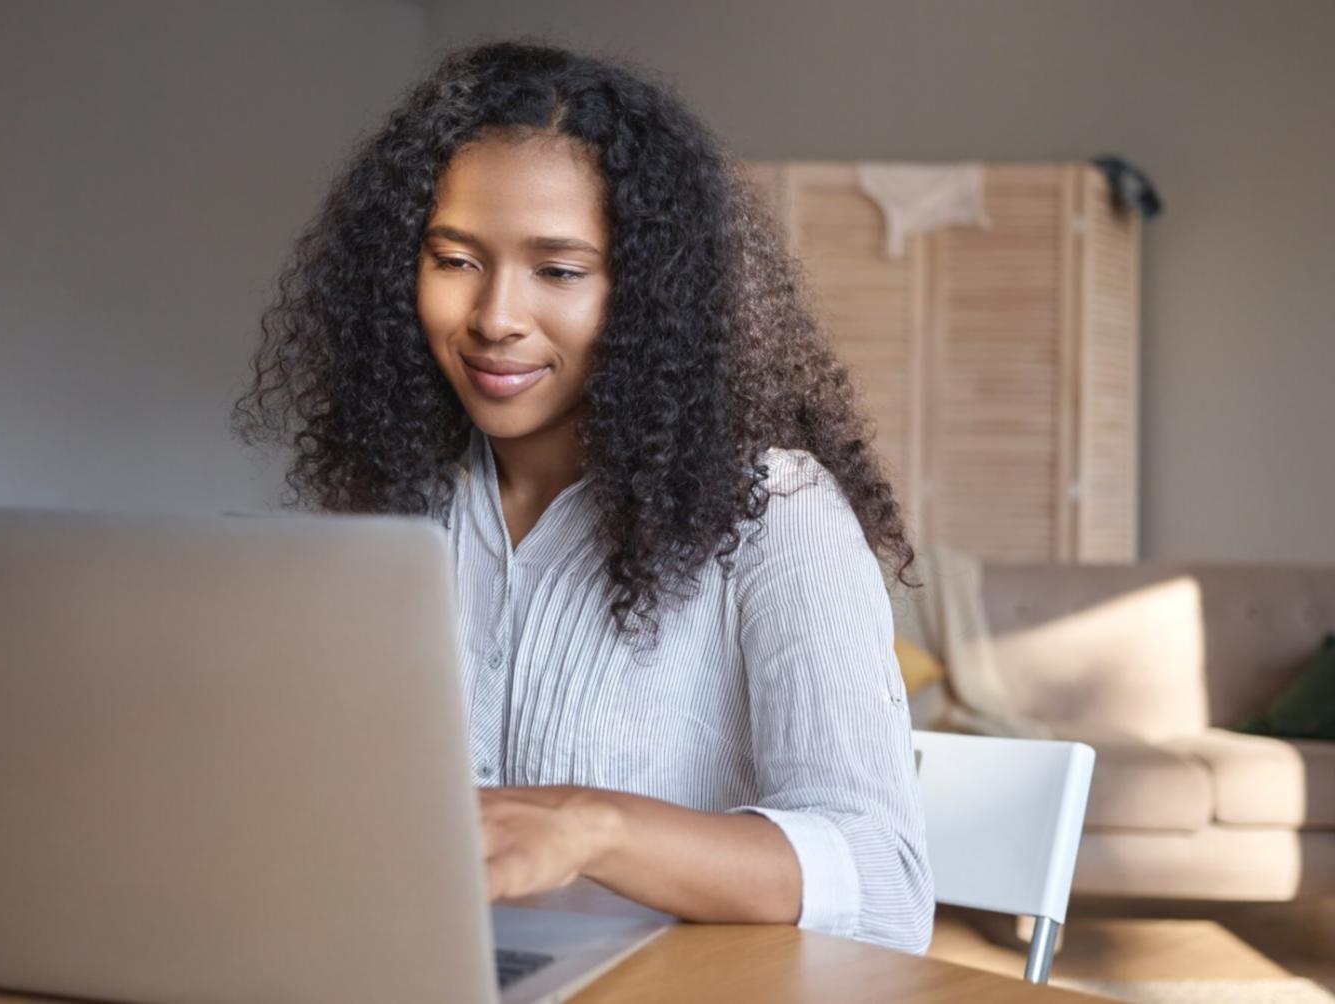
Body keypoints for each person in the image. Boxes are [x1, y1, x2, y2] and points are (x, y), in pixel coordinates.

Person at [233, 40, 934, 954]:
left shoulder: (775, 513)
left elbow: (884, 882)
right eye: (454, 260)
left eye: (558, 271)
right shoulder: (386, 507)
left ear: (651, 296)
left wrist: (594, 826)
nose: (494, 317)